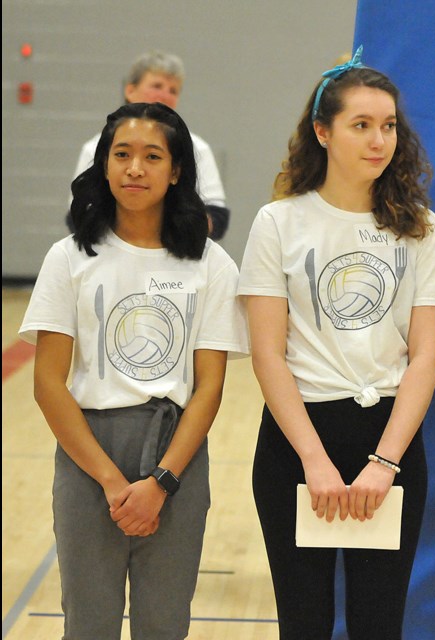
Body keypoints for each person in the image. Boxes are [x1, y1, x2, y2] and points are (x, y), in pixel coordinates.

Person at [238, 47, 435, 639]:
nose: (379, 140)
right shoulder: (278, 223)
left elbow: (425, 357)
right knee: (302, 622)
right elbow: (267, 353)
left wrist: (385, 463)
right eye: (361, 125)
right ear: (322, 132)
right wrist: (313, 461)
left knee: (377, 625)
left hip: (390, 440)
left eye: (388, 127)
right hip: (297, 440)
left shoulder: (422, 229)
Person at [20, 102, 248, 639]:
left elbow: (210, 387)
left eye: (152, 156)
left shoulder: (211, 264)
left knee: (164, 625)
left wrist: (161, 482)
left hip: (177, 452)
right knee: (88, 624)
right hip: (88, 454)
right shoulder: (69, 257)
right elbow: (48, 382)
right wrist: (111, 480)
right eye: (121, 154)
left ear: (177, 172)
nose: (134, 169)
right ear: (103, 165)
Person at [71, 50, 230, 239]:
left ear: (175, 172)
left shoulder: (197, 148)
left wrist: (171, 232)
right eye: (157, 85)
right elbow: (78, 213)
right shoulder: (95, 147)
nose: (164, 95)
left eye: (173, 90)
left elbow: (217, 216)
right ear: (130, 90)